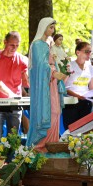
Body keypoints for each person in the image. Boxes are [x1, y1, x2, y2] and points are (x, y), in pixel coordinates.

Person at [26, 17, 66, 152]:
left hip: (51, 84)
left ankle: (51, 145)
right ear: (43, 27)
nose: (52, 30)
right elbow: (39, 66)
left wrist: (60, 69)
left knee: (56, 112)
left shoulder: (47, 44)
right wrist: (53, 73)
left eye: (53, 27)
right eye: (50, 27)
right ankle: (40, 146)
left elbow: (51, 63)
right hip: (43, 85)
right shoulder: (37, 44)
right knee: (50, 113)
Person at [0, 31, 30, 139]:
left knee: (13, 141)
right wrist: (11, 94)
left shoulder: (23, 59)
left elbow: (27, 81)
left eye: (17, 46)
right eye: (12, 45)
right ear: (5, 42)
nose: (14, 48)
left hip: (15, 105)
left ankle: (11, 157)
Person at [62, 41, 93, 129]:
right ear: (78, 52)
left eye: (90, 52)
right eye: (86, 51)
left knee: (85, 130)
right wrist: (76, 95)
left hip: (86, 103)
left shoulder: (92, 69)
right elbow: (62, 86)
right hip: (71, 103)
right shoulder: (69, 66)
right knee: (71, 129)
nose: (89, 54)